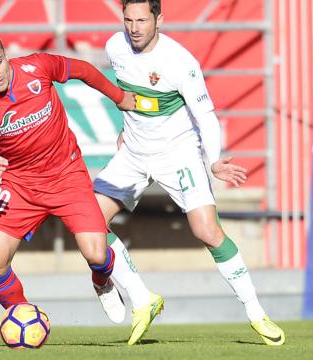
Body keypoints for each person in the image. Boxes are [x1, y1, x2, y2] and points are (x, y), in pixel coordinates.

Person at [93, 0, 286, 346]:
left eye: (141, 19)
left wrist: (214, 160)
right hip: (134, 154)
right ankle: (118, 286)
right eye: (128, 19)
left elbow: (206, 116)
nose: (134, 27)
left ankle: (256, 312)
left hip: (178, 154)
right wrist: (127, 128)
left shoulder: (180, 62)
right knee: (88, 222)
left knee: (207, 231)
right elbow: (132, 95)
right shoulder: (114, 46)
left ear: (159, 19)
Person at [0, 30, 137, 315]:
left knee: (97, 254)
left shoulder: (37, 66)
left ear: (6, 54)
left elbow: (83, 70)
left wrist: (119, 97)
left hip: (67, 175)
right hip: (20, 185)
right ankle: (23, 316)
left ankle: (101, 282)